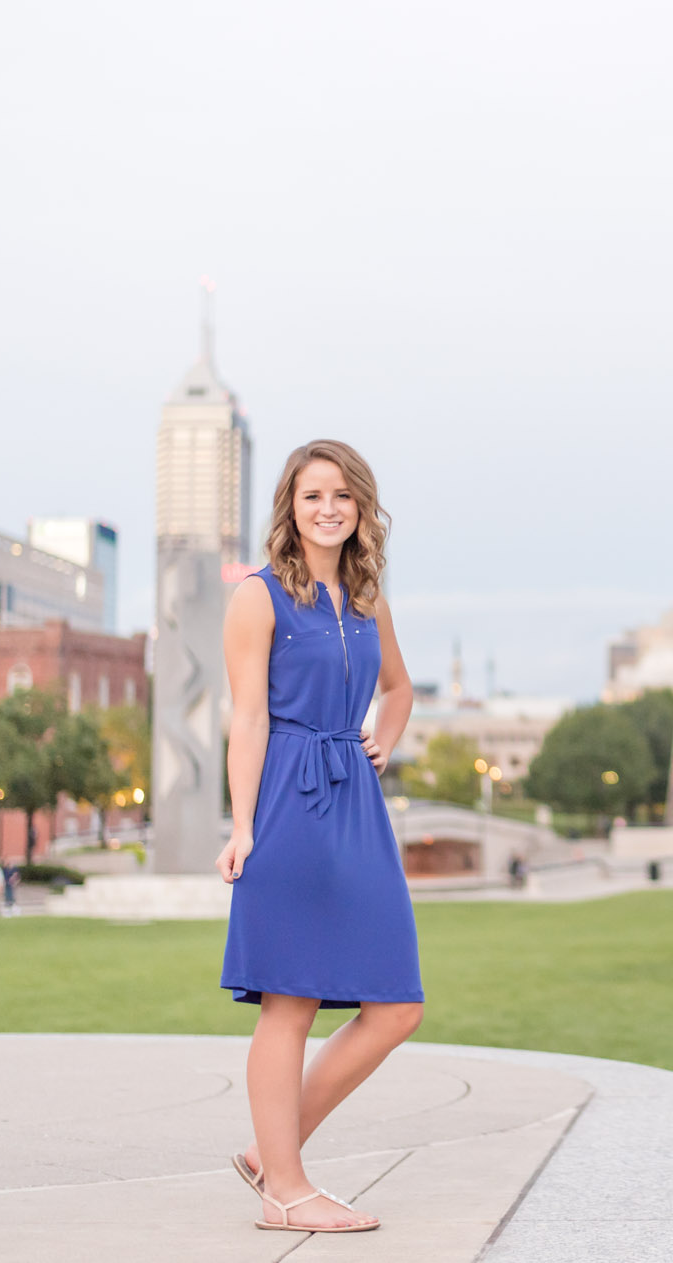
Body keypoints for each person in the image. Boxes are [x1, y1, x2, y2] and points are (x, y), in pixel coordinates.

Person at [216, 440, 422, 1236]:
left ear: (361, 507)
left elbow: (398, 687)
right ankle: (287, 1191)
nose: (328, 507)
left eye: (342, 494)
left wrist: (385, 738)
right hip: (287, 798)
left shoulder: (370, 599)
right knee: (291, 999)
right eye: (312, 496)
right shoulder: (259, 598)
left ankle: (270, 1152)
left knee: (397, 1005)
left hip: (357, 799)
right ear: (290, 508)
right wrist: (241, 826)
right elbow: (248, 717)